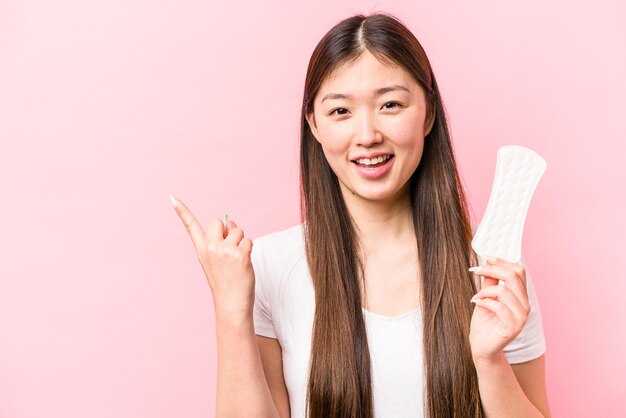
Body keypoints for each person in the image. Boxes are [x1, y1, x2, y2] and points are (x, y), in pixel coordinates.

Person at [170, 12, 551, 418]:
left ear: (429, 113)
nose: (367, 135)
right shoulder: (270, 266)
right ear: (314, 124)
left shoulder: (491, 272)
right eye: (340, 111)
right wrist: (231, 309)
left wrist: (490, 364)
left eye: (390, 104)